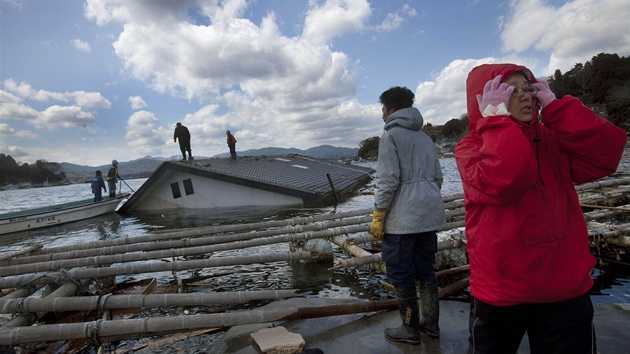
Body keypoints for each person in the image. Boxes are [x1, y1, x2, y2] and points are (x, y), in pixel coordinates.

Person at [455, 63, 627, 354]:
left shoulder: (552, 141)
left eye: (529, 90)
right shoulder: (471, 147)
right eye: (512, 91)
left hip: (563, 285)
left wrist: (558, 110)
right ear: (485, 100)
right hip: (502, 289)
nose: (526, 97)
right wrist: (496, 121)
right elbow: (505, 179)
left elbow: (605, 156)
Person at [369, 86, 446, 345]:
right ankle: (431, 324)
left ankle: (409, 328)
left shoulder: (390, 137)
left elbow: (388, 180)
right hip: (429, 215)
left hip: (403, 221)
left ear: (391, 110)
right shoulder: (425, 137)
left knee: (401, 275)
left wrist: (379, 213)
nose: (381, 116)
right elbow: (437, 177)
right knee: (426, 271)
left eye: (383, 110)